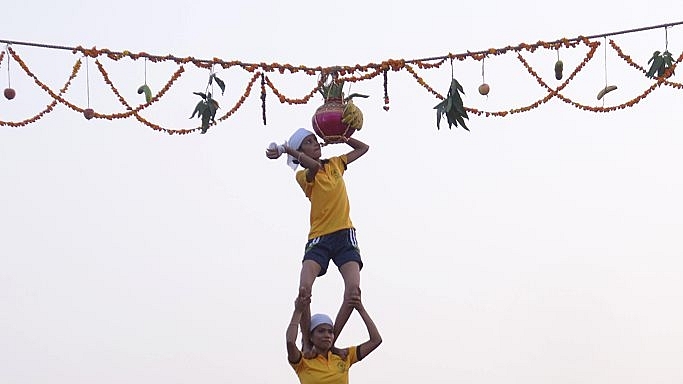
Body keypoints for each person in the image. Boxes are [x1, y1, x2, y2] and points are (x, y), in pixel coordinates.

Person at [266, 128, 369, 345]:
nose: (316, 144)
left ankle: (330, 342)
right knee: (304, 290)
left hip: (344, 235)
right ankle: (307, 341)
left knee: (354, 292)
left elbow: (363, 148)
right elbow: (313, 166)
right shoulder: (303, 175)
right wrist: (286, 150)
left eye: (315, 140)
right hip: (319, 239)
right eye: (309, 142)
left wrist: (343, 137)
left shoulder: (335, 163)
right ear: (299, 152)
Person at [286, 287, 382, 384]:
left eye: (330, 331)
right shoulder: (303, 361)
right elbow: (290, 342)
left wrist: (360, 309)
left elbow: (376, 340)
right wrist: (298, 311)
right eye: (321, 331)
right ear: (311, 337)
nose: (327, 335)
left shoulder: (344, 356)